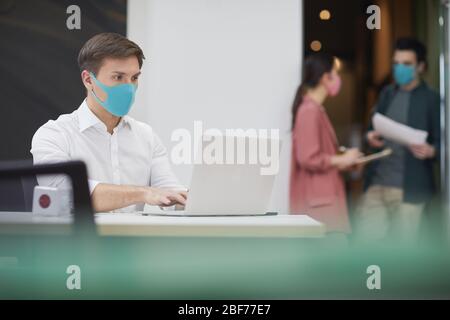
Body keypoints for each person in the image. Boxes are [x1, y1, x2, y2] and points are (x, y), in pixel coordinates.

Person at [31, 33, 187, 213]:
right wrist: (143, 193)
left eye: (134, 78)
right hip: (79, 240)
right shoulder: (54, 134)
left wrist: (194, 199)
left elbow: (168, 192)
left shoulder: (146, 136)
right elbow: (68, 194)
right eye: (118, 77)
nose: (129, 88)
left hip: (134, 240)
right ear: (88, 80)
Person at [356, 37, 440, 243]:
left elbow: (441, 142)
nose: (399, 68)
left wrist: (432, 151)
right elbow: (372, 128)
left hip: (409, 190)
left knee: (403, 253)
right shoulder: (387, 94)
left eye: (406, 64)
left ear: (420, 66)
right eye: (396, 63)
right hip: (377, 184)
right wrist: (370, 136)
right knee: (367, 246)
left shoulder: (431, 99)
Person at [290, 53, 362, 238]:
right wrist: (341, 159)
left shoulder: (315, 109)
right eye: (335, 73)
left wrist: (344, 161)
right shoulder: (309, 111)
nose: (338, 79)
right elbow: (307, 158)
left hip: (323, 204)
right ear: (325, 77)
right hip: (319, 207)